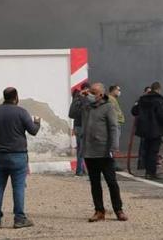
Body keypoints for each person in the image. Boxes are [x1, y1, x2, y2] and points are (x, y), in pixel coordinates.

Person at [0, 87, 41, 229]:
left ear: (4, 97)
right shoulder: (21, 112)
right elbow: (33, 131)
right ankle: (19, 219)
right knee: (19, 187)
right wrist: (37, 122)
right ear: (16, 97)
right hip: (18, 156)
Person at [69, 82, 127, 222]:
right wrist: (78, 97)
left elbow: (113, 127)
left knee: (111, 182)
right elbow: (71, 114)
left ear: (101, 94)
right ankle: (99, 211)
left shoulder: (108, 107)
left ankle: (118, 209)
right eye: (89, 92)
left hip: (104, 151)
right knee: (95, 183)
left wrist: (114, 147)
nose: (90, 95)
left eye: (93, 93)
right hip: (89, 152)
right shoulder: (86, 106)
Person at [130, 81, 163, 180]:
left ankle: (147, 172)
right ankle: (151, 173)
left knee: (146, 150)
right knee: (153, 152)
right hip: (155, 130)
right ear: (159, 89)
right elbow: (162, 116)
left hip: (144, 130)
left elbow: (134, 111)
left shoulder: (142, 99)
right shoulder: (159, 100)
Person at [69, 81, 91, 176]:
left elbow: (72, 113)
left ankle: (82, 168)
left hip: (78, 126)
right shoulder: (83, 98)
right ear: (86, 89)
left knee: (80, 149)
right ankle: (79, 170)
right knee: (83, 150)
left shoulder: (76, 98)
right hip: (83, 126)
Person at [107, 84, 125, 170]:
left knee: (113, 145)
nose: (119, 92)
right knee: (113, 145)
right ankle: (112, 164)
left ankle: (112, 164)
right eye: (118, 90)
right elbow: (112, 112)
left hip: (116, 123)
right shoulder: (110, 99)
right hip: (114, 124)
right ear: (113, 90)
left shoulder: (113, 99)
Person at [134, 86, 151, 170]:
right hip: (143, 127)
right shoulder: (140, 101)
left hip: (151, 127)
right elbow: (134, 111)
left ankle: (148, 164)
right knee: (143, 146)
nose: (149, 93)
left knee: (149, 147)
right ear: (144, 92)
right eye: (147, 92)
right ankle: (142, 164)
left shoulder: (152, 101)